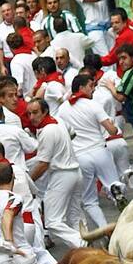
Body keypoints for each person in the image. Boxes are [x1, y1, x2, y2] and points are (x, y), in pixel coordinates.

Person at [56, 75, 127, 227]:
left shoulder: (62, 109)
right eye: (90, 86)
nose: (93, 89)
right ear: (81, 88)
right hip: (100, 151)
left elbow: (60, 131)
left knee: (89, 201)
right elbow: (112, 130)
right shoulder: (92, 105)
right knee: (114, 184)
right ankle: (115, 189)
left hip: (80, 156)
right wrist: (114, 127)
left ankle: (104, 228)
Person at [27, 97, 86, 250]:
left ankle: (81, 243)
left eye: (35, 113)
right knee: (76, 216)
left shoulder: (47, 131)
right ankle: (85, 247)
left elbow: (43, 165)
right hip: (75, 172)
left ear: (45, 111)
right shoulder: (58, 121)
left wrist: (28, 182)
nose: (32, 117)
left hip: (62, 175)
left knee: (52, 221)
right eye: (29, 114)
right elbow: (72, 134)